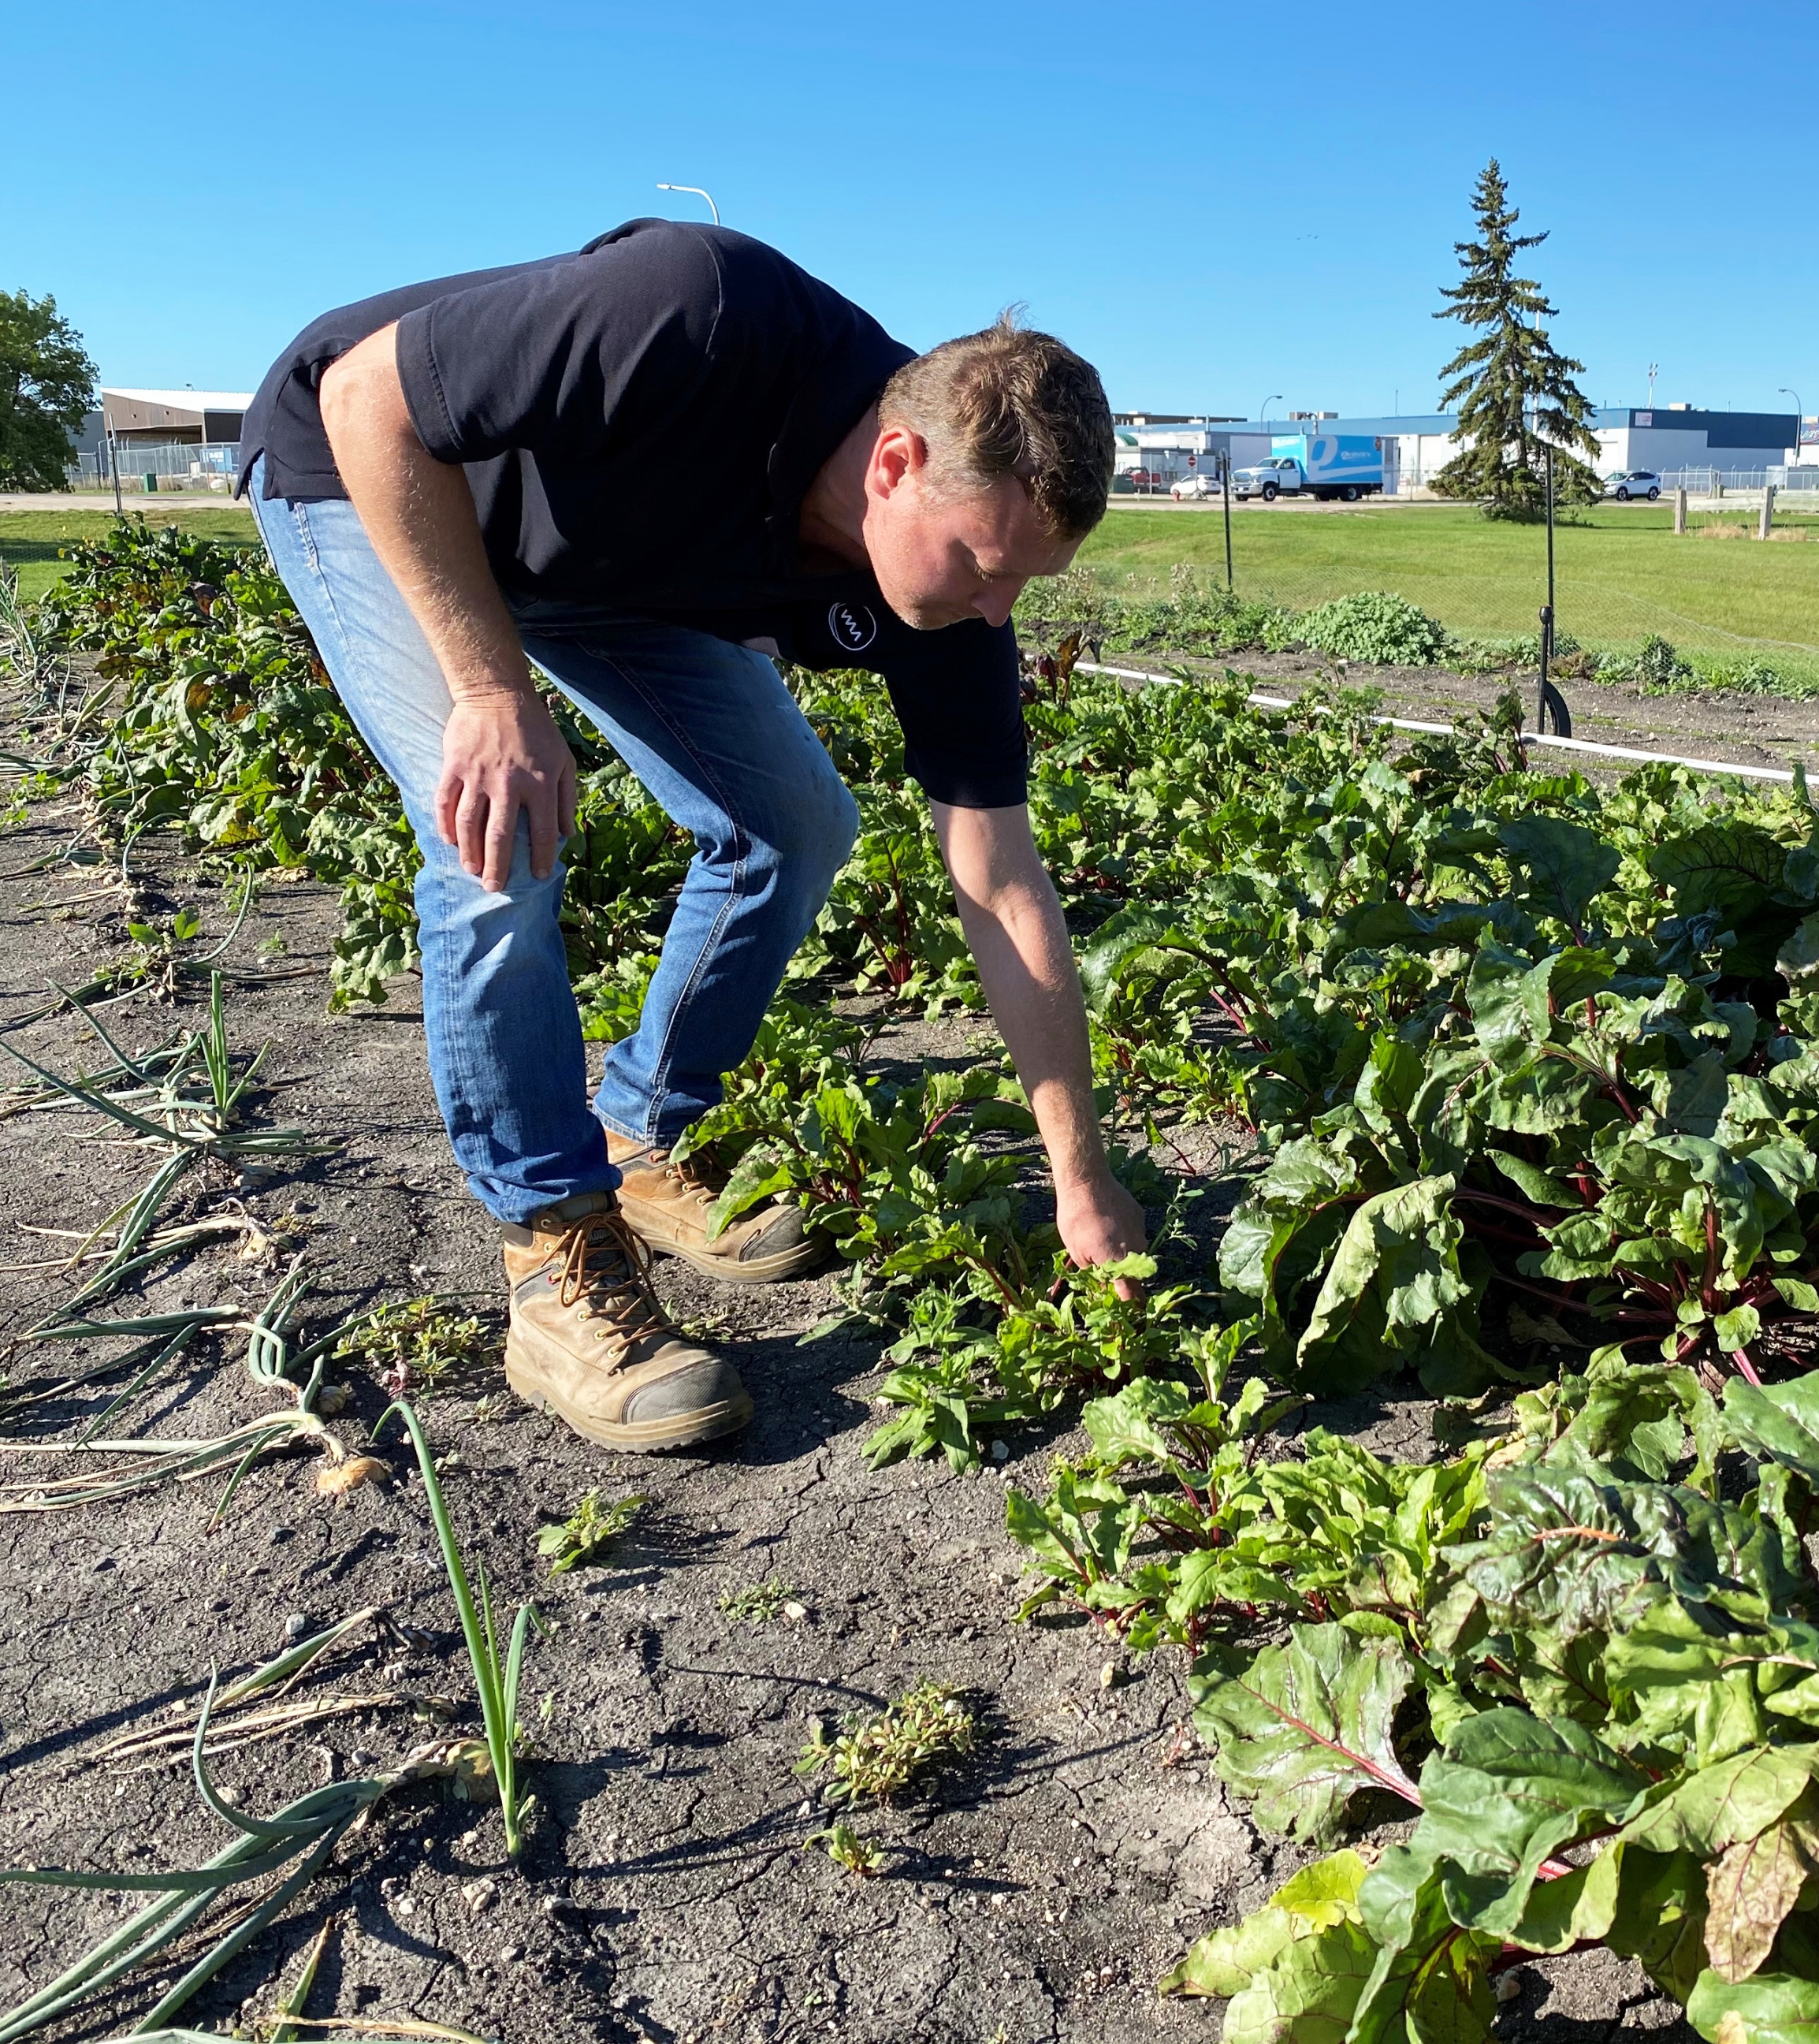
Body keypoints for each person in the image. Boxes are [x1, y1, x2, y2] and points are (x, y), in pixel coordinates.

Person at [237, 218, 1146, 1454]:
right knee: (497, 830)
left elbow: (1000, 879)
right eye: (983, 565)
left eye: (1024, 584)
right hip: (372, 477)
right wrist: (491, 691)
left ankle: (640, 1130)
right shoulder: (698, 312)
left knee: (795, 820)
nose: (999, 611)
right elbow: (362, 398)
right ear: (894, 466)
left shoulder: (957, 606)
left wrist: (1081, 1181)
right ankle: (555, 1255)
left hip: (600, 566)